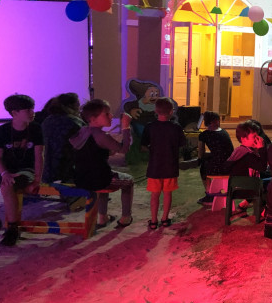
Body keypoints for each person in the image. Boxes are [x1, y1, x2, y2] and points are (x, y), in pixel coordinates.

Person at [70, 99, 134, 228]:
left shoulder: (83, 131)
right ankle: (126, 217)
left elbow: (89, 151)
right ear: (93, 119)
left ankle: (102, 217)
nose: (111, 116)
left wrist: (105, 152)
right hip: (99, 180)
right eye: (106, 114)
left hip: (81, 178)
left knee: (104, 176)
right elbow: (124, 149)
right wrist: (125, 127)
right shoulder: (101, 135)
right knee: (128, 181)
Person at [0, 94, 44, 246]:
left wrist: (37, 180)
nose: (32, 113)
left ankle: (12, 228)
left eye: (32, 109)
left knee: (8, 185)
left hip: (25, 170)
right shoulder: (3, 131)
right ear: (14, 113)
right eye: (28, 110)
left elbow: (39, 156)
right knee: (6, 180)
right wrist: (4, 173)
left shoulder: (35, 129)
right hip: (6, 169)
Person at [141, 97, 186, 228]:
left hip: (154, 167)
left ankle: (153, 221)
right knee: (167, 193)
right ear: (171, 112)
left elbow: (143, 146)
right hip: (170, 166)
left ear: (156, 110)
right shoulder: (176, 127)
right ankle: (165, 219)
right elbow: (182, 144)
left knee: (154, 195)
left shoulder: (150, 127)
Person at [224, 120, 269, 211]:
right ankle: (265, 210)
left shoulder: (240, 150)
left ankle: (257, 207)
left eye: (257, 136)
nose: (257, 139)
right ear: (243, 138)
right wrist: (262, 149)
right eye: (254, 137)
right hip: (246, 189)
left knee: (268, 179)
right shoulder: (247, 154)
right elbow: (263, 167)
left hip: (237, 188)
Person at [41, 92, 84, 183]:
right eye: (78, 105)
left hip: (47, 169)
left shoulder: (47, 121)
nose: (79, 108)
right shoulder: (74, 122)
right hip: (68, 169)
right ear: (71, 106)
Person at [197, 111, 234, 205]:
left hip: (217, 167)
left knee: (203, 167)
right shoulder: (224, 132)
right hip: (229, 165)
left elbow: (201, 154)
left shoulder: (204, 135)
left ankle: (209, 195)